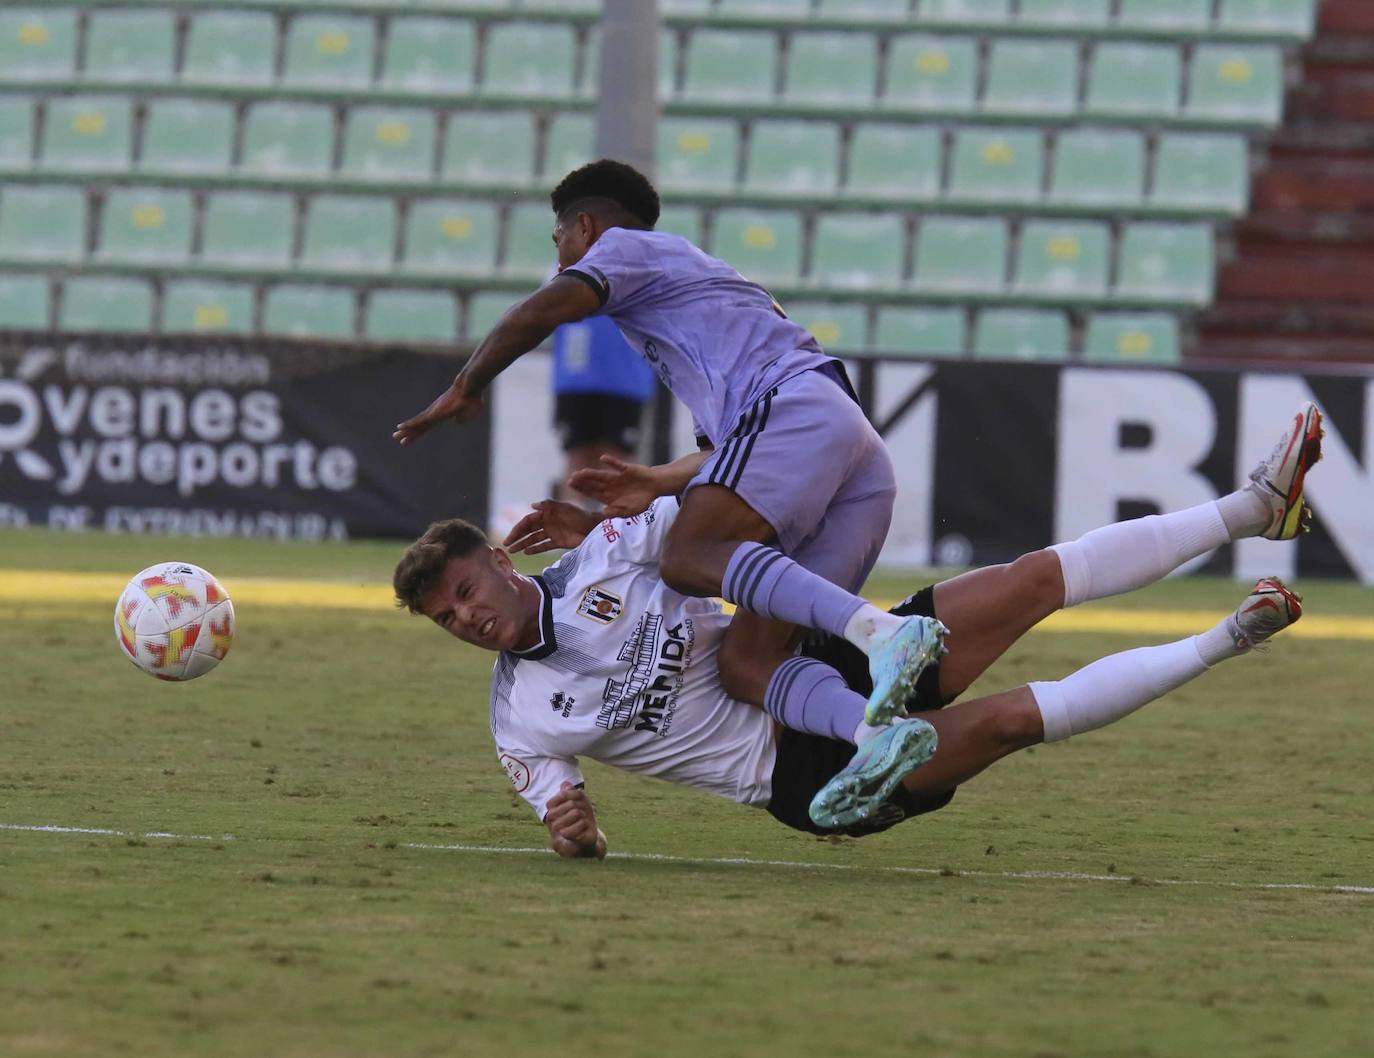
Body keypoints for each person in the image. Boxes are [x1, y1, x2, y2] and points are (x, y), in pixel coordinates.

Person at [390, 406, 1323, 856]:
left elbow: (730, 483)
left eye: (466, 591)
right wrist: (571, 827)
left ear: (502, 565)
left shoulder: (607, 560)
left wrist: (645, 492)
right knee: (1002, 724)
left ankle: (1251, 508)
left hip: (808, 657)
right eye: (447, 618)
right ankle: (1221, 640)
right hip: (798, 773)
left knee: (1028, 580)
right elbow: (565, 817)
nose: (466, 618)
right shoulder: (520, 721)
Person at [393, 158, 950, 796]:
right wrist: (650, 486)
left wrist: (467, 385)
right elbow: (720, 457)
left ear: (585, 228)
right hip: (846, 446)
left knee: (691, 559)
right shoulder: (684, 302)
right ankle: (878, 735)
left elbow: (541, 311)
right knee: (751, 661)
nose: (560, 260)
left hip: (793, 407)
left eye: (559, 244)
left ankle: (887, 632)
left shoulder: (628, 250)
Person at [549, 314, 655, 503]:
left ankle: (621, 528)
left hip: (626, 380)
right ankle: (571, 525)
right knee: (578, 457)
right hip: (576, 377)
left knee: (618, 461)